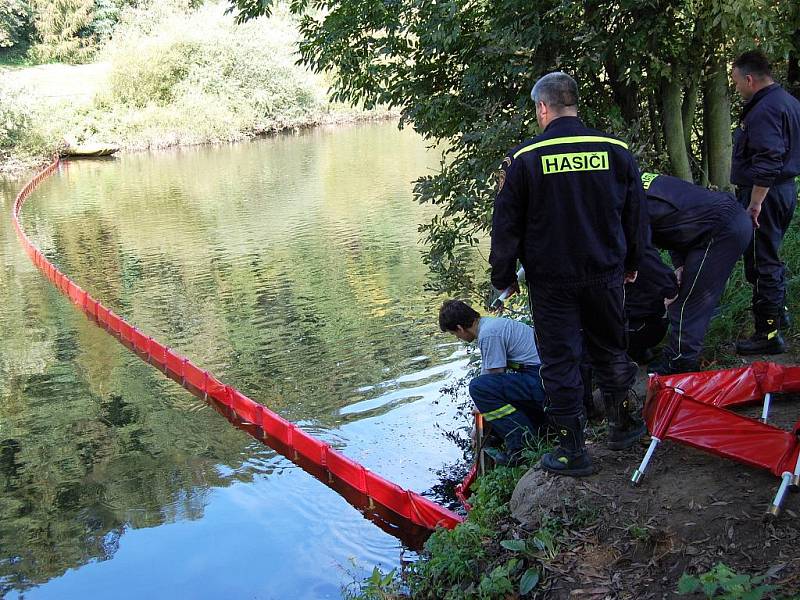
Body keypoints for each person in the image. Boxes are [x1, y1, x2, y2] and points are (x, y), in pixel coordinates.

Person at [489, 71, 647, 477]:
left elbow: (506, 228)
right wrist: (632, 264)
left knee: (560, 362)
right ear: (574, 103)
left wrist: (503, 277)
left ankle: (572, 451)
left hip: (552, 283)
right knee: (611, 348)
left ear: (542, 107)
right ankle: (624, 427)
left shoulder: (523, 160)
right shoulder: (614, 150)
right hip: (605, 274)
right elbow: (635, 215)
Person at [640, 173, 752, 374]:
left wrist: (667, 286)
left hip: (721, 229)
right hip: (711, 225)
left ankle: (681, 362)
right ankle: (679, 355)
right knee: (686, 293)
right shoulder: (641, 186)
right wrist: (680, 266)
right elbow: (675, 226)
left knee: (688, 302)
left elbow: (643, 252)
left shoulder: (630, 202)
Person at [730, 50, 800, 354]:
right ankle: (778, 313)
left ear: (749, 78)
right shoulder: (787, 101)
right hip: (783, 190)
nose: (736, 89)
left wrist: (755, 202)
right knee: (768, 254)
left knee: (762, 262)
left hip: (766, 194)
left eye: (735, 82)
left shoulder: (764, 110)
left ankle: (767, 334)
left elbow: (769, 159)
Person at [438, 299, 545, 466]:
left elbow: (491, 380)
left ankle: (521, 446)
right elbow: (489, 374)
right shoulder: (489, 326)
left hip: (540, 378)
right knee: (483, 388)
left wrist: (476, 427)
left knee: (478, 387)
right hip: (545, 375)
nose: (458, 338)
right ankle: (533, 426)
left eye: (455, 334)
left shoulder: (489, 334)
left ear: (459, 327)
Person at [624, 246, 678, 364]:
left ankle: (633, 353)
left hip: (629, 323)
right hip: (639, 325)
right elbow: (669, 286)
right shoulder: (638, 251)